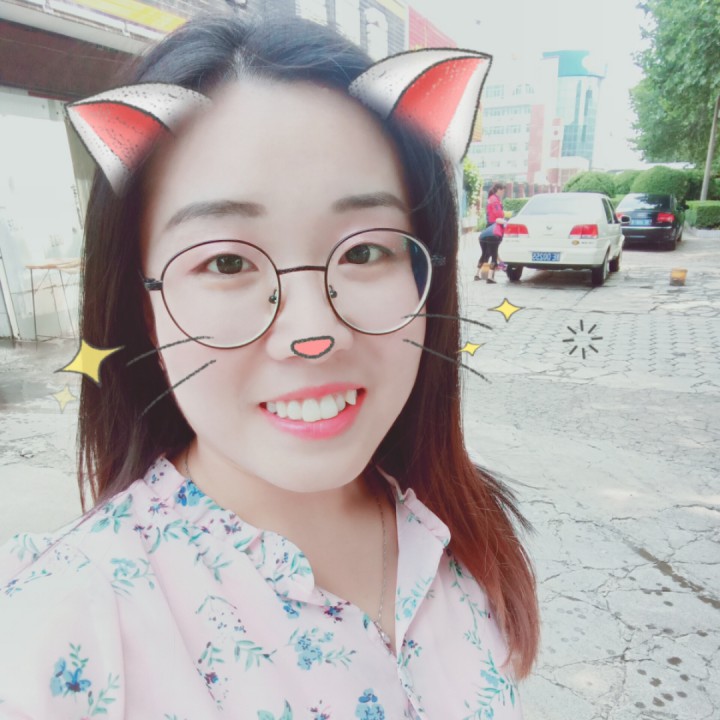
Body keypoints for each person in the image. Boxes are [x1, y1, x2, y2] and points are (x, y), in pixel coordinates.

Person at [0, 15, 539, 718]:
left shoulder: (459, 528)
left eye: (365, 251)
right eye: (227, 262)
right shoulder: (65, 627)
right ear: (143, 306)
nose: (313, 334)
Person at [475, 182, 507, 283]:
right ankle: (489, 276)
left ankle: (478, 274)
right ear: (499, 190)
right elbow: (498, 215)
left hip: (488, 229)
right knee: (492, 253)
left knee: (486, 253)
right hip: (495, 228)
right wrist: (505, 220)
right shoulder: (495, 200)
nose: (503, 193)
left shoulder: (491, 199)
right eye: (502, 191)